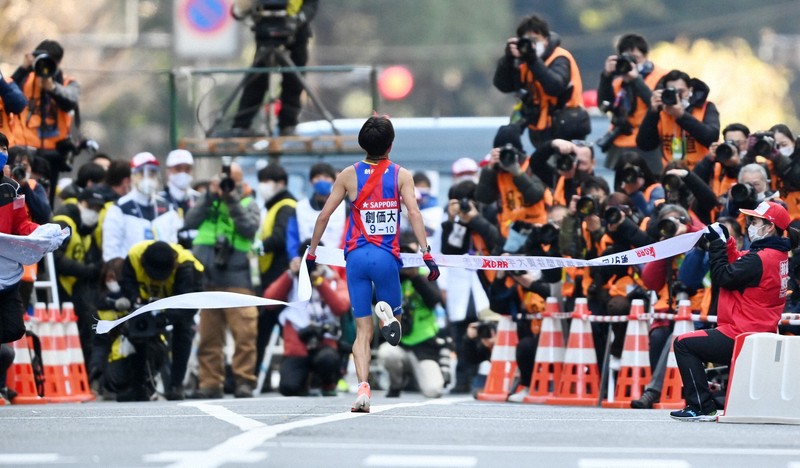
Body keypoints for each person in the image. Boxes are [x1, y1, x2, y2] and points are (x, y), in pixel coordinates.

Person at [306, 115, 440, 413]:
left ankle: (363, 389)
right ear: (391, 145)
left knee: (361, 331)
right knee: (396, 322)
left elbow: (324, 216)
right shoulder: (400, 175)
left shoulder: (347, 175)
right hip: (385, 258)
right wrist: (426, 253)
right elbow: (415, 215)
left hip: (355, 259)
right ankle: (388, 315)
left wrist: (312, 252)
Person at [670, 201, 791, 421]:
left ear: (770, 226)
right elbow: (740, 261)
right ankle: (703, 404)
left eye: (754, 221)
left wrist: (717, 246)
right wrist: (726, 240)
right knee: (689, 343)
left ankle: (700, 406)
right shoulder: (775, 255)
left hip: (741, 334)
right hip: (758, 331)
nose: (749, 225)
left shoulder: (761, 258)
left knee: (683, 344)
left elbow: (722, 277)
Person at [184, 160, 261, 399]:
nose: (229, 186)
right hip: (208, 278)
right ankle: (210, 383)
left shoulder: (248, 202)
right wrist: (210, 195)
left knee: (245, 334)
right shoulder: (209, 199)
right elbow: (190, 222)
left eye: (233, 182)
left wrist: (232, 200)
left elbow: (249, 229)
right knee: (209, 336)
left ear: (241, 183)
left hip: (237, 277)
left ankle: (244, 381)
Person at [108, 241, 204, 401]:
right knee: (137, 331)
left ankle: (176, 384)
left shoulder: (187, 266)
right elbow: (128, 284)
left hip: (177, 299)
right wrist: (134, 300)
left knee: (183, 330)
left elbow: (189, 305)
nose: (157, 280)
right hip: (144, 301)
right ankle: (138, 386)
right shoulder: (133, 257)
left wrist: (164, 318)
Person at [0, 131, 65, 344]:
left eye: (4, 149)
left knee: (14, 329)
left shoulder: (13, 188)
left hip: (7, 274)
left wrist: (42, 233)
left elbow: (21, 225)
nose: (2, 153)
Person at [263, 243, 350, 396]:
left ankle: (327, 383)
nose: (311, 266)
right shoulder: (292, 278)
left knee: (328, 360)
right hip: (298, 342)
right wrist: (289, 274)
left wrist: (320, 282)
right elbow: (269, 302)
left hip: (326, 343)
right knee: (289, 387)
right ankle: (304, 381)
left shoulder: (332, 279)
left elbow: (341, 306)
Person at [229, 0, 320, 136]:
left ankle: (288, 124)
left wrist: (299, 19)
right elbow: (240, 10)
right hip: (265, 31)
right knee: (257, 79)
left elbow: (311, 5)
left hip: (297, 34)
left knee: (294, 79)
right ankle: (241, 125)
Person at [492, 14, 585, 148]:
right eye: (527, 41)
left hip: (566, 128)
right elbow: (504, 86)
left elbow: (555, 87)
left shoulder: (560, 57)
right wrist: (508, 60)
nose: (531, 44)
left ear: (546, 40)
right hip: (539, 128)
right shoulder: (524, 61)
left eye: (535, 40)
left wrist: (533, 60)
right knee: (508, 135)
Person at [12, 40, 81, 205]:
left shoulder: (66, 82)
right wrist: (22, 69)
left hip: (52, 155)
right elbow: (6, 93)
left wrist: (52, 87)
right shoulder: (25, 79)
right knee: (16, 198)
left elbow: (71, 100)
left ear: (58, 63)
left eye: (50, 62)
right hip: (23, 152)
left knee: (44, 203)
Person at [378, 234, 447, 399]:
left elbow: (435, 300)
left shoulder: (425, 273)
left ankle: (420, 375)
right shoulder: (391, 276)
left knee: (434, 390)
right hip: (400, 344)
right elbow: (376, 300)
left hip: (424, 345)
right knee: (386, 353)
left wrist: (415, 276)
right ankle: (396, 384)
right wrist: (395, 276)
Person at [597, 33, 667, 173]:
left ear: (646, 56)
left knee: (652, 183)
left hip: (648, 141)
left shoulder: (661, 76)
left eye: (635, 58)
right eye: (627, 59)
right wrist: (606, 76)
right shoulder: (618, 82)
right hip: (621, 140)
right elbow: (603, 105)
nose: (631, 64)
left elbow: (657, 104)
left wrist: (636, 80)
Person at [254, 163, 296, 392]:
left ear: (280, 183)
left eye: (266, 181)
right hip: (273, 276)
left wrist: (260, 247)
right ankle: (264, 376)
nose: (262, 187)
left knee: (268, 328)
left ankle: (261, 375)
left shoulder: (286, 206)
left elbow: (279, 237)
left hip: (279, 277)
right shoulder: (272, 206)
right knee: (268, 329)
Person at [52, 186, 105, 364]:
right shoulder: (64, 223)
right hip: (58, 287)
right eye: (91, 207)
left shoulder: (87, 230)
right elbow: (55, 257)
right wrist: (86, 270)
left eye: (98, 210)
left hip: (75, 288)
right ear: (80, 203)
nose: (94, 212)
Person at [102, 152, 183, 262]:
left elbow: (173, 244)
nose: (147, 178)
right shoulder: (119, 208)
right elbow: (111, 251)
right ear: (132, 176)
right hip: (129, 274)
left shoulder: (167, 208)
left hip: (162, 272)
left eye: (152, 173)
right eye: (141, 173)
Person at [475, 124, 551, 238]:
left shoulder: (532, 165)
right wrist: (489, 169)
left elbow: (535, 195)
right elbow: (484, 198)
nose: (507, 157)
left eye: (510, 153)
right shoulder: (497, 171)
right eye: (502, 153)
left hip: (537, 234)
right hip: (508, 237)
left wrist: (517, 172)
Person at [636, 69, 720, 171]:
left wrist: (681, 115)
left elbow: (711, 137)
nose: (677, 97)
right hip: (671, 172)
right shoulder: (661, 111)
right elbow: (645, 144)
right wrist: (652, 112)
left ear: (690, 90)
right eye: (672, 92)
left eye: (680, 92)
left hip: (702, 171)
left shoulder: (706, 107)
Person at [286, 162, 345, 261]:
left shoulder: (345, 208)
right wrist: (294, 257)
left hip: (337, 265)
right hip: (306, 262)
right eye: (317, 177)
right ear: (310, 181)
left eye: (326, 177)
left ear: (334, 181)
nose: (322, 180)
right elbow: (292, 237)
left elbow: (348, 237)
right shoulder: (299, 208)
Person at [161, 149, 200, 248]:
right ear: (168, 171)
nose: (183, 173)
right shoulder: (159, 200)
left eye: (187, 169)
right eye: (178, 169)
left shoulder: (199, 199)